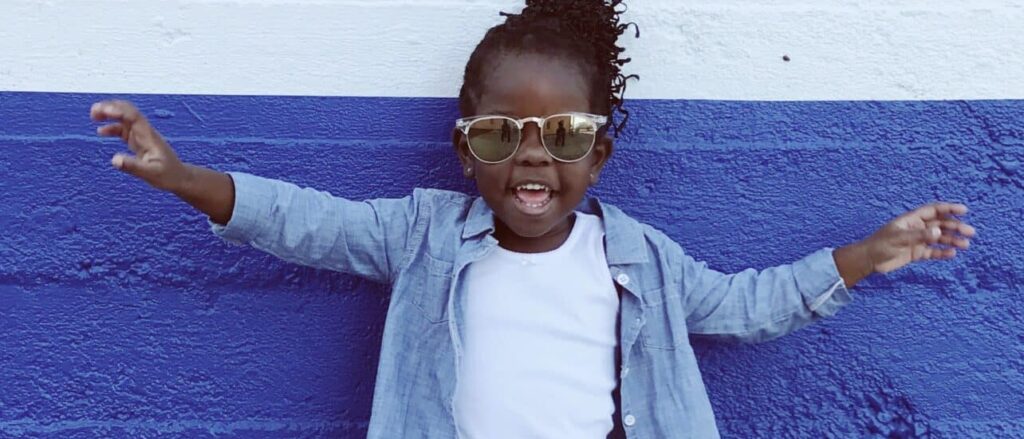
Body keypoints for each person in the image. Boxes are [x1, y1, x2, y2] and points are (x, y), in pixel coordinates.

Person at [87, 0, 976, 437]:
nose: (534, 156)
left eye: (565, 135)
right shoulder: (423, 234)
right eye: (501, 134)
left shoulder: (638, 256)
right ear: (464, 150)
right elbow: (304, 221)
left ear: (600, 156)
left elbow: (746, 305)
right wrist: (185, 177)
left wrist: (865, 254)